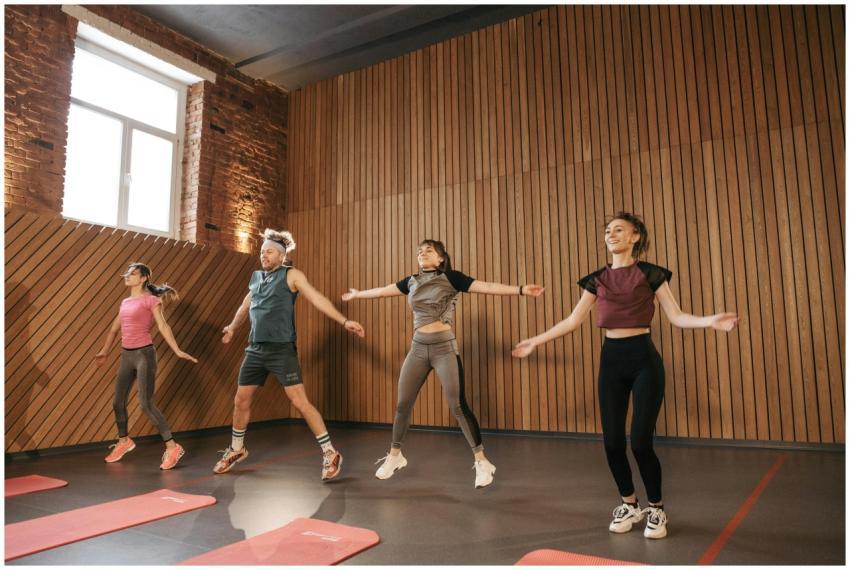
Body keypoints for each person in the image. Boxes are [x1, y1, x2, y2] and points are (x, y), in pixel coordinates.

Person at [513, 212, 739, 539]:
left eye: (619, 229)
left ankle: (657, 509)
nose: (611, 234)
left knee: (642, 442)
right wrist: (535, 340)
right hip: (611, 361)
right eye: (607, 230)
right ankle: (630, 503)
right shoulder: (597, 279)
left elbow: (676, 317)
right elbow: (572, 321)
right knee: (612, 443)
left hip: (644, 359)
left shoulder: (650, 273)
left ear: (635, 237)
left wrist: (709, 321)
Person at [343, 239, 543, 488]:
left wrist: (521, 290)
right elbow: (383, 290)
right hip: (417, 348)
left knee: (457, 405)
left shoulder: (452, 278)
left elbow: (488, 286)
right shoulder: (411, 281)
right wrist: (358, 294)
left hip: (443, 348)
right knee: (403, 404)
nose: (422, 253)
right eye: (419, 251)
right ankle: (395, 456)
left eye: (429, 250)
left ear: (440, 258)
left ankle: (482, 462)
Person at [213, 229, 365, 481]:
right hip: (255, 349)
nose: (264, 255)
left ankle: (330, 452)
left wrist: (344, 320)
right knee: (241, 400)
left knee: (300, 402)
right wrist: (232, 327)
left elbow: (317, 298)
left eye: (269, 251)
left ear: (282, 255)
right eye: (262, 252)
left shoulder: (291, 275)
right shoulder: (256, 278)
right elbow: (244, 306)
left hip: (281, 349)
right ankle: (237, 450)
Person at [95, 262, 198, 470]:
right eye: (127, 273)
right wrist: (105, 350)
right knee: (117, 403)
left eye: (132, 274)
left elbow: (162, 325)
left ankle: (172, 447)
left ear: (143, 278)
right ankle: (124, 441)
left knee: (145, 404)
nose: (127, 276)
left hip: (144, 355)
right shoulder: (124, 302)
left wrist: (177, 350)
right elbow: (115, 328)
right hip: (126, 355)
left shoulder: (152, 300)